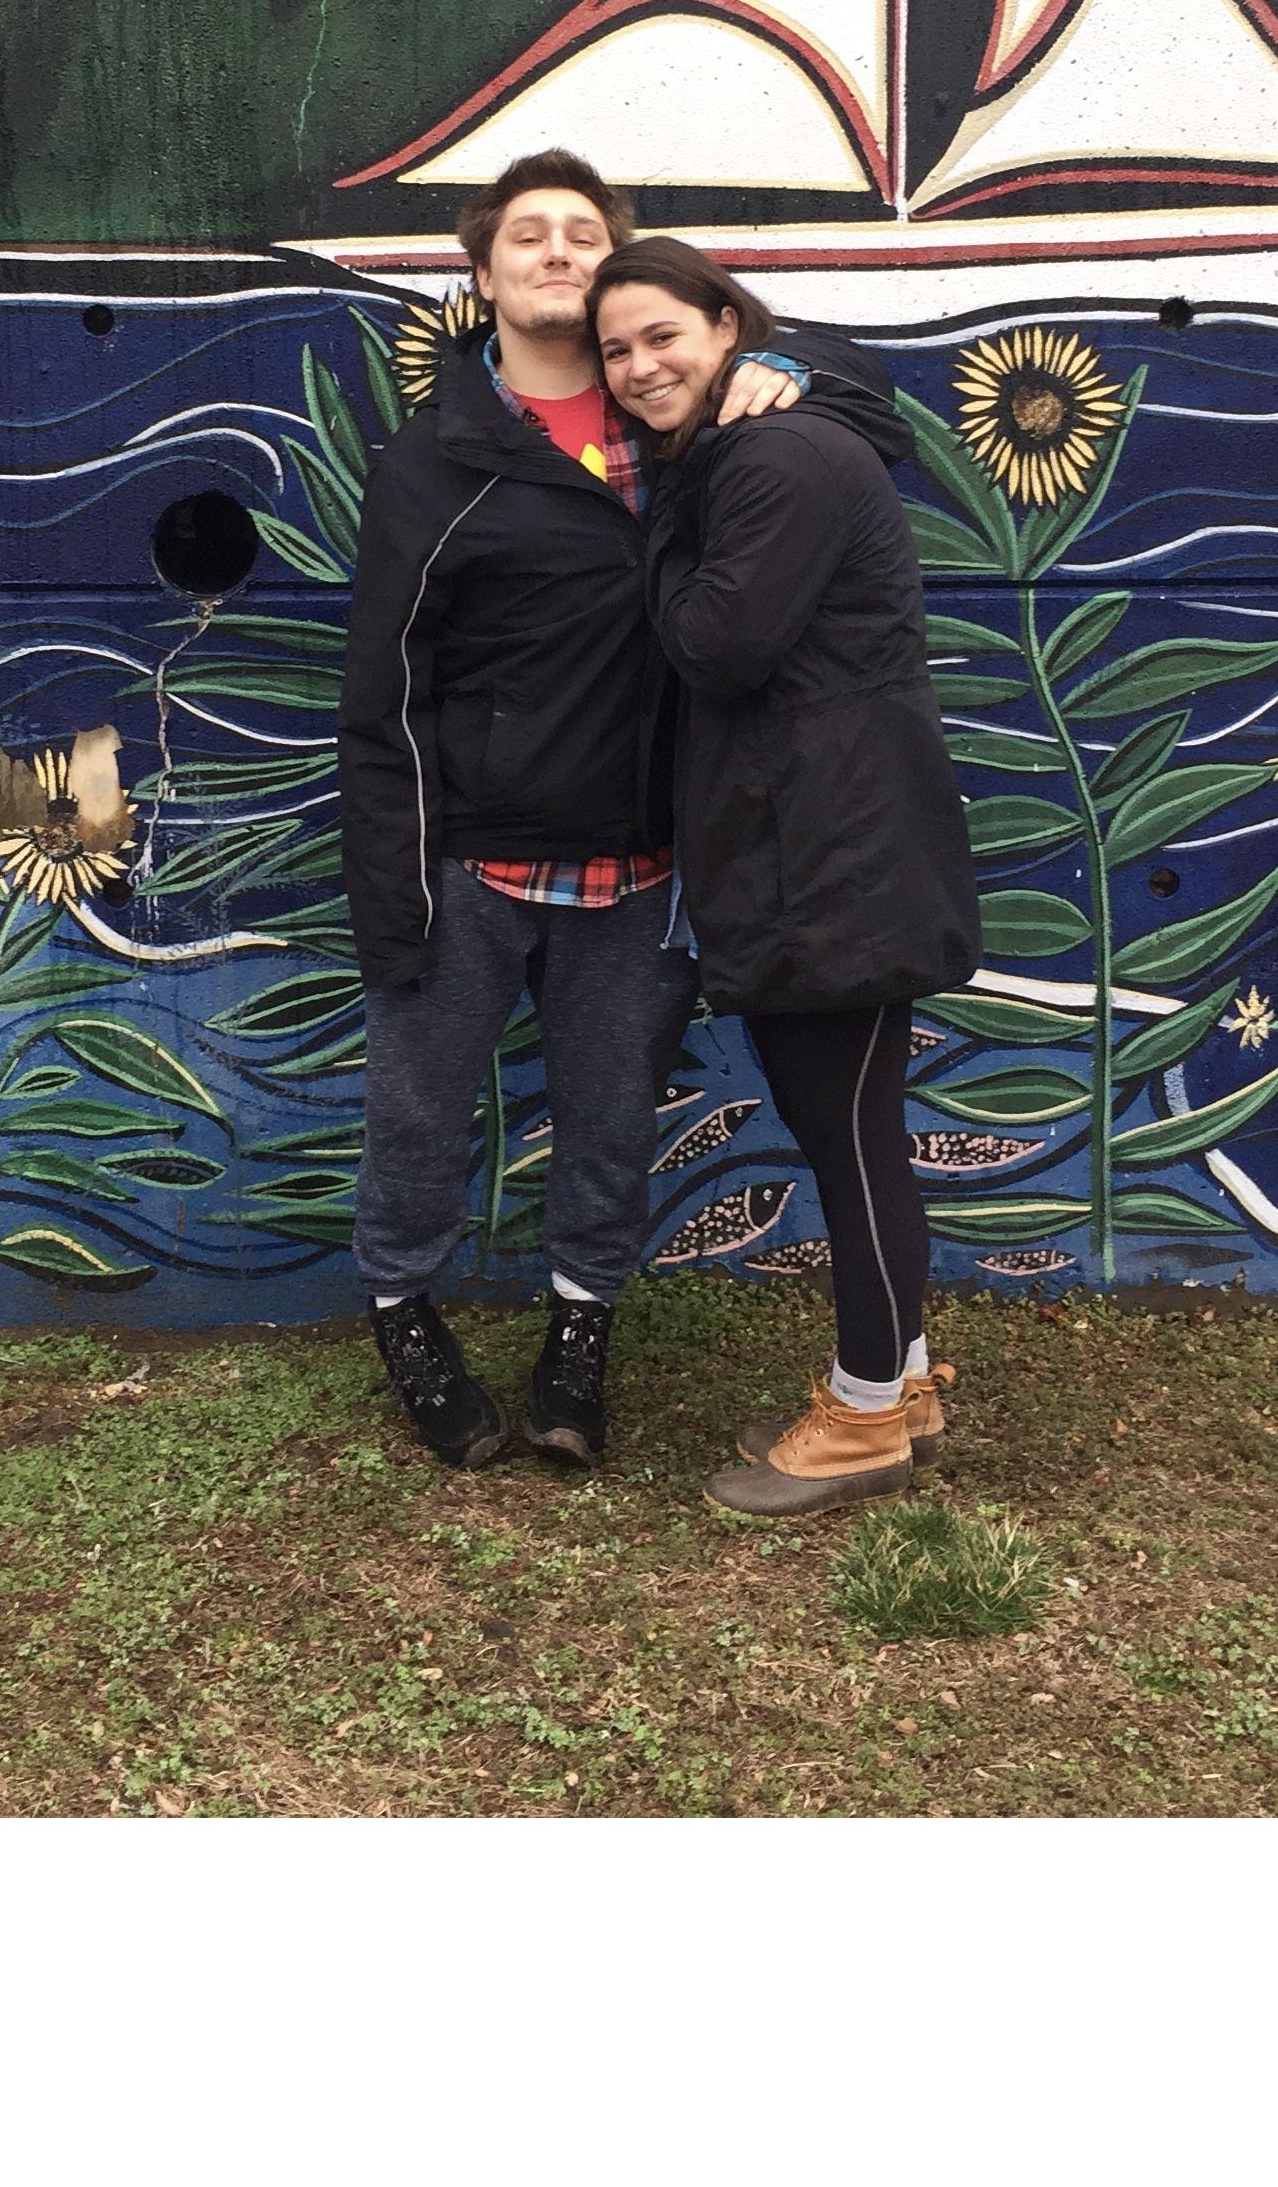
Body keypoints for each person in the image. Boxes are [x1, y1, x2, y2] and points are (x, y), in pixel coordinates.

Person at [335, 151, 826, 1469]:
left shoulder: (686, 427)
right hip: (473, 872)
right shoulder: (434, 462)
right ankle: (403, 1314)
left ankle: (578, 1334)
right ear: (482, 273)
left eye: (582, 233)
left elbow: (873, 418)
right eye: (528, 234)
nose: (557, 249)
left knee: (609, 1127)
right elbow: (383, 699)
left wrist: (797, 373)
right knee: (420, 1120)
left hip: (644, 871)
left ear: (615, 270)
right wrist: (396, 900)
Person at [590, 236, 981, 1515]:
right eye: (617, 351)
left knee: (852, 1143)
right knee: (850, 1132)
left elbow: (718, 643)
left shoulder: (770, 457)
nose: (641, 368)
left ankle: (865, 1415)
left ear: (726, 326)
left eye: (663, 337)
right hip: (824, 846)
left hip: (833, 857)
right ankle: (901, 1386)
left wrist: (659, 525)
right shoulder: (768, 441)